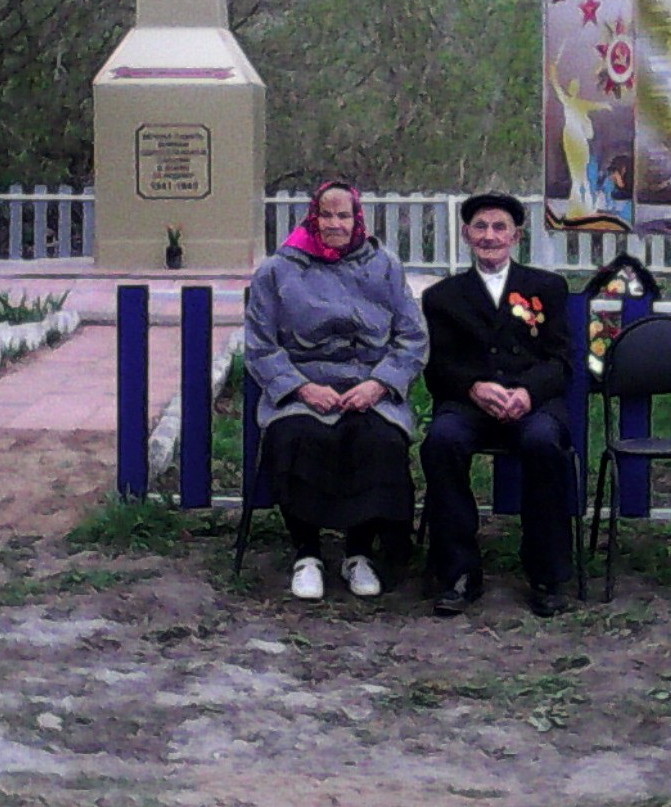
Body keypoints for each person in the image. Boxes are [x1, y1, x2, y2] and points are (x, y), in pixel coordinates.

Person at [243, 180, 427, 601]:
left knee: (379, 440)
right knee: (295, 437)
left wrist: (379, 384)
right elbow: (260, 346)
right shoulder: (277, 270)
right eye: (326, 215)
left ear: (357, 219)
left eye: (343, 215)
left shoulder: (384, 265)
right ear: (312, 218)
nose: (334, 224)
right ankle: (307, 554)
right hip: (304, 385)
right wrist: (302, 388)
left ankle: (359, 552)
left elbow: (412, 338)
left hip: (369, 385)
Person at [421, 192, 576, 618]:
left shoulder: (547, 288)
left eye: (499, 227)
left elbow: (561, 361)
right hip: (469, 405)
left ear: (515, 236)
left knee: (544, 443)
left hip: (531, 404)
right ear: (466, 234)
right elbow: (439, 366)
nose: (489, 236)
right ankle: (458, 573)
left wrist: (527, 393)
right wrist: (473, 387)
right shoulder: (442, 297)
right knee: (441, 441)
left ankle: (547, 574)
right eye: (481, 227)